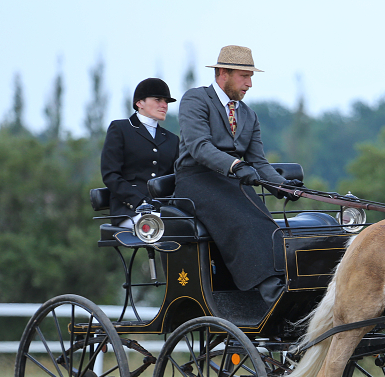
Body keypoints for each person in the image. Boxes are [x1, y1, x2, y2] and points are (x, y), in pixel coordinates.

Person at [174, 45, 302, 304]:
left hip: (231, 183)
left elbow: (259, 162)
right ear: (223, 73)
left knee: (267, 223)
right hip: (195, 180)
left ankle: (281, 283)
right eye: (244, 76)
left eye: (251, 77)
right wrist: (235, 166)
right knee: (243, 222)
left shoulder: (248, 115)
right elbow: (199, 147)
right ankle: (269, 290)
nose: (250, 84)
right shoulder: (195, 100)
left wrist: (283, 187)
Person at [101, 78, 179, 228]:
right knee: (165, 227)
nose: (164, 106)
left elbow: (176, 179)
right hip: (129, 211)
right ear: (139, 103)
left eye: (166, 102)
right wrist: (141, 202)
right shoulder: (120, 129)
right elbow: (111, 175)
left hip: (163, 210)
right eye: (158, 100)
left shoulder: (172, 139)